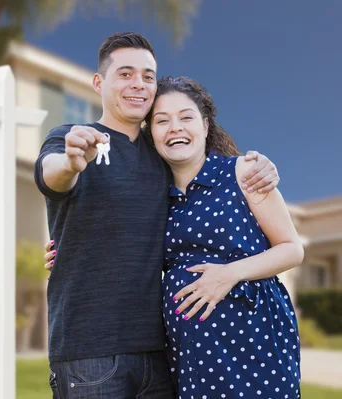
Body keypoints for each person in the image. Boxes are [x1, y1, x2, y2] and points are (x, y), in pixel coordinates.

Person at [34, 31, 281, 399]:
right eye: (126, 74)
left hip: (162, 350)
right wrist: (72, 162)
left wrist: (263, 167)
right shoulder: (72, 137)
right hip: (90, 352)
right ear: (99, 82)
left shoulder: (163, 155)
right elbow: (51, 177)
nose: (139, 84)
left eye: (148, 76)